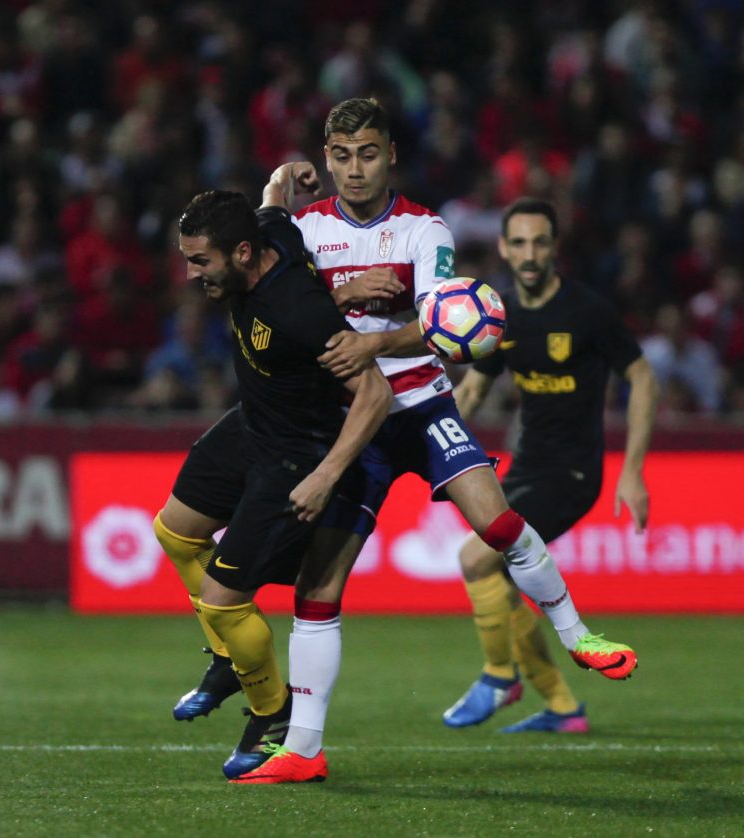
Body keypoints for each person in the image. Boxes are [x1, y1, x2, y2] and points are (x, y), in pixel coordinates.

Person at [174, 98, 640, 784]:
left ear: (390, 154)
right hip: (353, 421)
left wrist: (377, 342)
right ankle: (302, 748)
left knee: (500, 522)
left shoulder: (425, 231)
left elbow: (449, 321)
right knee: (318, 590)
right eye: (341, 157)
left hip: (420, 403)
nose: (354, 170)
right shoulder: (303, 229)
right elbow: (281, 293)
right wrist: (291, 200)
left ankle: (579, 635)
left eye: (367, 154)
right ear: (326, 159)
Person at [152, 189, 392, 780]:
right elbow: (277, 199)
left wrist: (325, 475)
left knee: (221, 598)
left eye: (200, 261)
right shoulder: (269, 231)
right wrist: (285, 176)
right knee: (175, 532)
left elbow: (375, 395)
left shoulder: (299, 309)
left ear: (240, 253)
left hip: (294, 455)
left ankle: (273, 715)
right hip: (251, 424)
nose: (191, 274)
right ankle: (231, 660)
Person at [442, 197, 660, 734]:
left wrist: (632, 471)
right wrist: (430, 439)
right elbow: (473, 390)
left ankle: (499, 677)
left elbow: (644, 379)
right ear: (503, 247)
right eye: (519, 243)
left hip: (573, 474)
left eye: (540, 242)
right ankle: (563, 708)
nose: (530, 253)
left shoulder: (587, 312)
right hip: (522, 469)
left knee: (476, 559)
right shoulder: (500, 314)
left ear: (555, 247)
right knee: (506, 585)